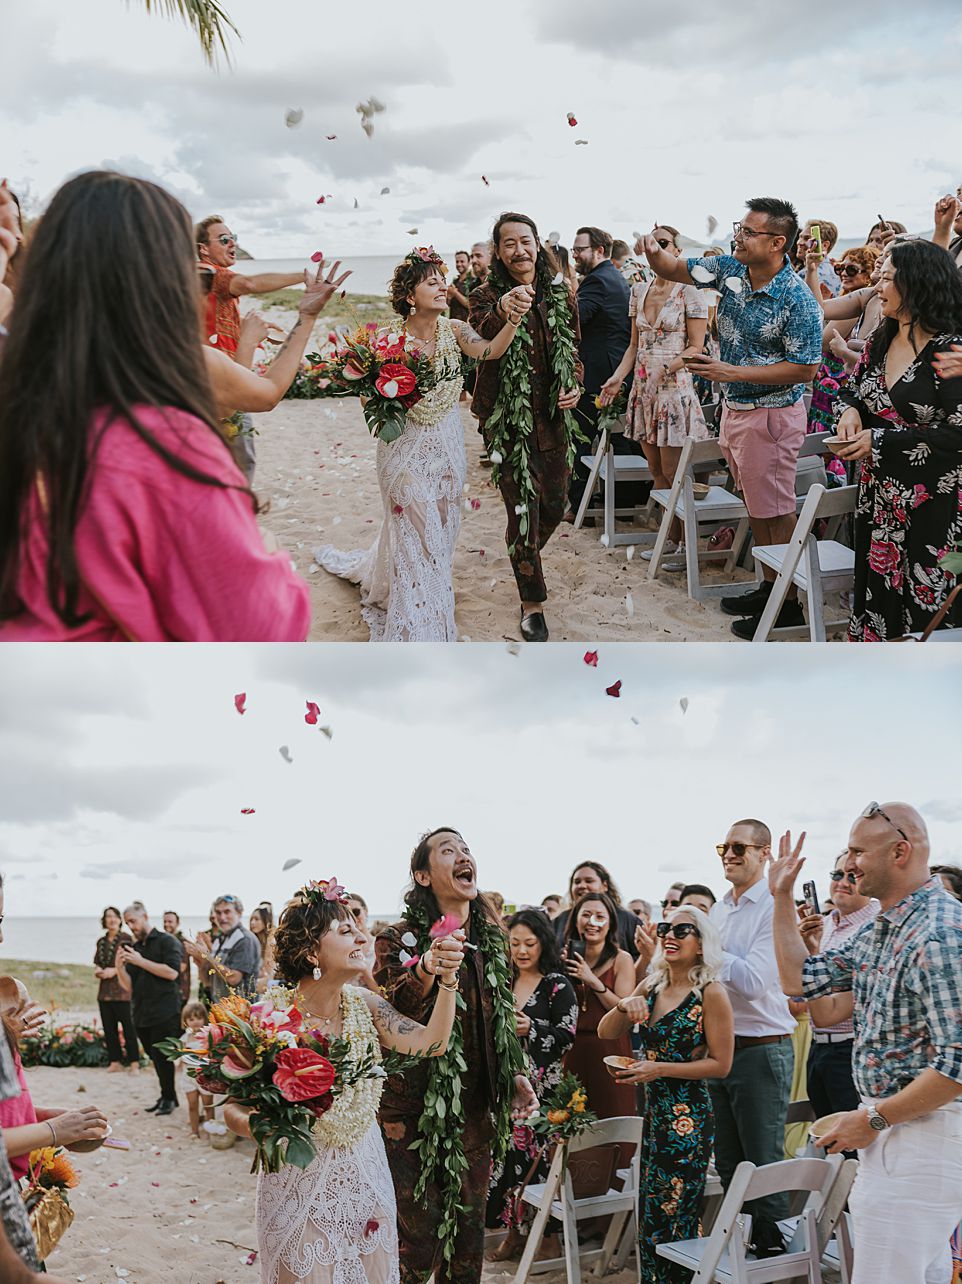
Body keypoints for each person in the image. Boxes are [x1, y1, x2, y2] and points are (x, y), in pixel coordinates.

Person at [0, 170, 312, 642]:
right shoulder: (159, 444)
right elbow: (263, 625)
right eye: (192, 273)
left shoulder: (18, 398)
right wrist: (266, 551)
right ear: (160, 285)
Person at [225, 877, 465, 1284]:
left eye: (359, 928)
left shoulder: (366, 1006)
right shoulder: (267, 1018)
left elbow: (433, 1043)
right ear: (310, 950)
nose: (362, 937)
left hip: (366, 1172)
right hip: (298, 1177)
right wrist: (263, 1126)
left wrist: (447, 981)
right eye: (345, 930)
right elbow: (232, 1108)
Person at [768, 804, 962, 1284]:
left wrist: (874, 1118)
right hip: (895, 1128)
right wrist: (781, 897)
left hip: (922, 1135)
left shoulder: (939, 932)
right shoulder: (885, 926)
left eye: (858, 852)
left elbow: (958, 1064)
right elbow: (800, 979)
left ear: (900, 852)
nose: (849, 864)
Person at [316, 247, 520, 641]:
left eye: (443, 281)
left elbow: (490, 350)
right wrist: (388, 398)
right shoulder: (386, 341)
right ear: (410, 295)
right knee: (415, 530)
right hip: (402, 448)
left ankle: (427, 594)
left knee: (440, 530)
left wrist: (511, 320)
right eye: (432, 283)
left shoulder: (455, 330)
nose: (443, 287)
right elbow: (367, 399)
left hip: (446, 445)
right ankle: (419, 620)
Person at [641, 198, 823, 637]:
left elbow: (806, 369)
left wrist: (730, 373)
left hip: (771, 416)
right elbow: (673, 267)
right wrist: (652, 251)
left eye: (748, 231)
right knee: (756, 506)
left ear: (777, 242)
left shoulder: (797, 298)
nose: (737, 237)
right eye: (739, 227)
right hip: (737, 411)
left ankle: (788, 606)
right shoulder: (730, 269)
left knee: (777, 512)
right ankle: (769, 588)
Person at [374, 829, 536, 1284]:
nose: (463, 855)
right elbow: (395, 1011)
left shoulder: (493, 939)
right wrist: (427, 966)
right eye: (448, 850)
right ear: (423, 876)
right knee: (416, 1244)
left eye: (466, 848)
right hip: (411, 1115)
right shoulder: (397, 939)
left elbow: (498, 1021)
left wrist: (513, 1075)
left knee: (466, 1245)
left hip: (475, 1114)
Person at [832, 239, 962, 638]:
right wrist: (850, 412)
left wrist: (880, 441)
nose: (876, 286)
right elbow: (851, 390)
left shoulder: (950, 351)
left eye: (886, 278)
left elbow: (958, 433)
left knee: (927, 608)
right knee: (878, 599)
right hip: (879, 497)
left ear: (916, 284)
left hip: (934, 504)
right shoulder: (882, 338)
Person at [600, 906, 733, 1282]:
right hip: (655, 1113)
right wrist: (624, 1004)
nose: (670, 936)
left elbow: (721, 1065)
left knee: (675, 1212)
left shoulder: (711, 993)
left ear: (702, 944)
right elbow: (607, 1032)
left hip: (687, 1118)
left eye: (682, 930)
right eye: (666, 929)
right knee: (650, 1212)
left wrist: (658, 1069)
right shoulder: (652, 985)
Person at [469, 213, 584, 642]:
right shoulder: (483, 296)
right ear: (498, 252)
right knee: (522, 513)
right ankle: (531, 603)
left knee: (554, 506)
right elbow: (481, 339)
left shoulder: (561, 292)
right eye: (509, 243)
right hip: (507, 422)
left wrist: (574, 382)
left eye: (525, 241)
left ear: (538, 245)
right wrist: (503, 308)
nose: (519, 250)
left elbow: (574, 348)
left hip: (552, 418)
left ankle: (524, 553)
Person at [708, 819, 795, 1257]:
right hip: (719, 1049)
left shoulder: (774, 906)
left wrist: (706, 952)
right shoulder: (719, 908)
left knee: (763, 1163)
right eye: (724, 847)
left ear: (764, 854)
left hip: (761, 1049)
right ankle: (743, 1250)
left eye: (739, 847)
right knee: (728, 1162)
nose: (728, 854)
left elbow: (755, 983)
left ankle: (777, 1257)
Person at [600, 224, 709, 567]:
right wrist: (617, 378)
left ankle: (685, 544)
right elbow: (634, 346)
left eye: (662, 242)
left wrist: (666, 368)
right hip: (643, 391)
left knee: (675, 472)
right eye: (650, 242)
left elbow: (697, 347)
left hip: (674, 392)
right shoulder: (639, 290)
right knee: (656, 469)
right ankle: (669, 537)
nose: (655, 248)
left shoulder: (691, 291)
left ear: (677, 250)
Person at [486, 909, 578, 1261]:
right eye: (515, 943)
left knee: (540, 1164)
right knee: (508, 1160)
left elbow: (567, 1036)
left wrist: (533, 1029)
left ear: (544, 943)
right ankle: (513, 1234)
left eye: (530, 943)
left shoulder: (557, 984)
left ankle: (549, 1238)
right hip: (507, 1088)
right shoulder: (502, 980)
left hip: (544, 1091)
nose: (522, 950)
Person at [195, 214, 308, 482]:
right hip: (222, 383)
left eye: (233, 238)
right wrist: (305, 277)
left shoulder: (215, 287)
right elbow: (250, 284)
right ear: (203, 249)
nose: (232, 243)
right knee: (238, 463)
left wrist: (254, 330)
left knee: (237, 458)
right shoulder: (209, 274)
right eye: (224, 239)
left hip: (225, 377)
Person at [795, 851, 878, 1129]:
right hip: (819, 1047)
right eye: (837, 874)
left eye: (852, 876)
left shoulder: (875, 924)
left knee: (853, 1140)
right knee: (826, 1135)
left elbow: (830, 1000)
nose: (842, 882)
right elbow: (801, 985)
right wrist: (806, 947)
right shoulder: (826, 922)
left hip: (852, 1049)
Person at [567, 226, 634, 516]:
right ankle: (624, 503)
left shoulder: (596, 281)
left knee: (581, 437)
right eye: (573, 249)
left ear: (599, 251)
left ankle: (579, 506)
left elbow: (574, 320)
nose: (574, 255)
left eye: (579, 249)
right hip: (616, 368)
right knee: (617, 437)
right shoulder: (613, 276)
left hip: (599, 373)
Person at [561, 892, 636, 1117]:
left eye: (599, 916)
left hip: (610, 1050)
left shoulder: (622, 959)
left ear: (610, 922)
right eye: (586, 915)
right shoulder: (565, 957)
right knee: (571, 1121)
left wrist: (592, 980)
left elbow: (624, 1008)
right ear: (576, 920)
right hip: (573, 1050)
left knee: (613, 1117)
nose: (592, 922)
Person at [117, 903, 184, 1116]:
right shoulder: (135, 948)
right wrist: (119, 967)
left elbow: (172, 972)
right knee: (154, 1057)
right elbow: (129, 985)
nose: (131, 926)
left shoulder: (167, 941)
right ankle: (167, 1096)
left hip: (165, 1011)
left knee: (163, 1058)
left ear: (145, 916)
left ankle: (169, 1098)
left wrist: (140, 961)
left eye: (133, 921)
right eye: (127, 923)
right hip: (141, 1012)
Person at [805, 246, 880, 435]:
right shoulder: (852, 298)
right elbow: (817, 307)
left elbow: (822, 341)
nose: (844, 273)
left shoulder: (861, 303)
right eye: (840, 268)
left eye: (851, 269)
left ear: (868, 274)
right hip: (831, 383)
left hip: (841, 385)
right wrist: (811, 270)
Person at [552, 862, 642, 957]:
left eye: (589, 881)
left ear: (605, 885)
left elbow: (641, 956)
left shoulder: (629, 921)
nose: (582, 886)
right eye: (577, 882)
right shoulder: (559, 921)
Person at [184, 894, 261, 1002]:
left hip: (242, 1009)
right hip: (220, 1007)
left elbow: (234, 978)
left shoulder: (245, 939)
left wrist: (207, 956)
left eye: (227, 912)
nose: (222, 917)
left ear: (239, 913)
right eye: (218, 912)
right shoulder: (220, 939)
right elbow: (207, 982)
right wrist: (200, 961)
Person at [94, 906, 139, 1072]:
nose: (111, 919)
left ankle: (134, 1062)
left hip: (123, 992)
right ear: (104, 920)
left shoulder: (127, 939)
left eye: (114, 916)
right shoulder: (101, 941)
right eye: (108, 917)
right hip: (104, 992)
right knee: (109, 1029)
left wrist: (114, 971)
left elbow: (131, 961)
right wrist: (98, 970)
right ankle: (115, 1061)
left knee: (129, 1028)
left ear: (120, 920)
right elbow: (97, 962)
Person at [178, 1000, 216, 1139]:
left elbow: (212, 1056)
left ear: (205, 1018)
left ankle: (211, 1130)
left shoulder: (208, 1036)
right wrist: (184, 1056)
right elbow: (181, 1057)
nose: (195, 1022)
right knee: (192, 1105)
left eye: (199, 1018)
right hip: (188, 1077)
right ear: (186, 1021)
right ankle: (194, 1131)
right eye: (191, 1019)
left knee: (208, 1105)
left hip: (205, 1076)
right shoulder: (184, 1038)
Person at [796, 219, 841, 298]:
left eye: (807, 238)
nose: (799, 242)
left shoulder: (806, 274)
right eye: (800, 237)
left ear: (824, 245)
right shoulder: (837, 272)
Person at [162, 910, 191, 1005]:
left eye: (170, 922)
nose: (166, 924)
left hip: (179, 991)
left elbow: (182, 967)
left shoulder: (183, 942)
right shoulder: (163, 941)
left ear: (177, 923)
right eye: (165, 921)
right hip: (164, 991)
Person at [248, 902, 275, 994]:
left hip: (267, 988)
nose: (252, 922)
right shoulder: (252, 942)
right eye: (251, 919)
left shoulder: (271, 941)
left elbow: (270, 973)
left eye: (256, 919)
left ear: (265, 921)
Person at [446, 250, 472, 321]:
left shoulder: (474, 281)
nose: (459, 264)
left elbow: (470, 305)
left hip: (466, 323)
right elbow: (448, 304)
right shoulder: (455, 282)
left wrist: (455, 293)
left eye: (462, 261)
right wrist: (448, 298)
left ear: (469, 263)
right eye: (457, 262)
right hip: (452, 322)